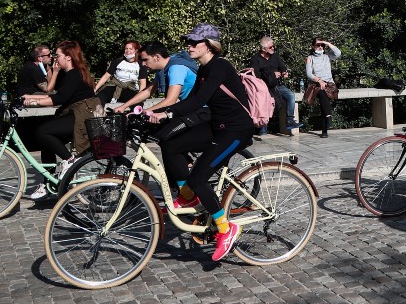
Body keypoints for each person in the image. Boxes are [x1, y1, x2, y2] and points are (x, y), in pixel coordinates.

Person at [147, 23, 255, 263]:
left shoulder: (220, 66)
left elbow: (199, 101)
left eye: (194, 42)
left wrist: (167, 114)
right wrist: (156, 112)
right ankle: (188, 195)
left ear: (209, 46)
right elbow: (194, 99)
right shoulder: (203, 68)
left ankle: (226, 230)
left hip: (236, 130)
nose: (189, 45)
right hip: (218, 126)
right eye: (189, 41)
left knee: (198, 178)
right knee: (171, 144)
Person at [21, 40, 100, 199]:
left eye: (58, 55)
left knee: (42, 132)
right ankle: (48, 183)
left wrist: (34, 101)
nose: (55, 58)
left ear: (68, 57)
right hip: (76, 114)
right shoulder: (71, 73)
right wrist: (28, 97)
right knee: (46, 140)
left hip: (83, 116)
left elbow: (60, 98)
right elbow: (56, 95)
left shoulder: (74, 74)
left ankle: (69, 161)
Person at [113, 41, 198, 114]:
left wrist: (146, 111)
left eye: (145, 60)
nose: (143, 64)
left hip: (199, 110)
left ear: (157, 57)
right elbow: (148, 91)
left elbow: (170, 100)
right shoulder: (164, 67)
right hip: (189, 108)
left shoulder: (176, 69)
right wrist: (123, 107)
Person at [249, 36, 302, 135]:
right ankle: (263, 128)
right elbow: (256, 75)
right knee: (265, 102)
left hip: (277, 85)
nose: (273, 48)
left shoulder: (275, 56)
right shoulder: (255, 59)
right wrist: (272, 74)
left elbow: (282, 66)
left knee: (290, 95)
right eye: (270, 47)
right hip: (263, 87)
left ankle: (290, 120)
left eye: (273, 46)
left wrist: (284, 72)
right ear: (263, 49)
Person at [305, 38, 341, 138]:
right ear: (313, 46)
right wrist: (320, 81)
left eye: (322, 45)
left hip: (330, 85)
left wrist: (327, 43)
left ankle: (325, 127)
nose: (320, 47)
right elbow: (309, 74)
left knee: (323, 98)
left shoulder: (327, 56)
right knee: (322, 93)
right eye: (318, 45)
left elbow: (338, 53)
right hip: (317, 85)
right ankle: (328, 121)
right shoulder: (310, 58)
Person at [93, 40, 144, 105]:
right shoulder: (118, 61)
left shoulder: (140, 65)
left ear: (136, 50)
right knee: (100, 97)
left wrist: (140, 95)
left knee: (137, 102)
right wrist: (95, 89)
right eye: (126, 48)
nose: (128, 51)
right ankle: (99, 113)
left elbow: (143, 83)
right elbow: (106, 76)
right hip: (114, 85)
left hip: (130, 88)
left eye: (131, 49)